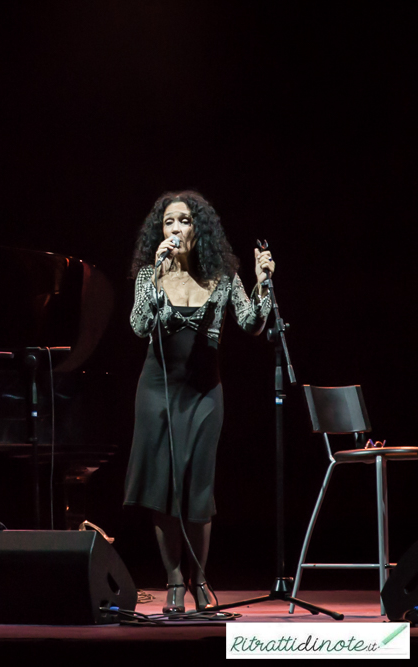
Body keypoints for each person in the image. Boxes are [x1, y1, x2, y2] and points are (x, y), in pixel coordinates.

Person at [123, 191, 275, 614]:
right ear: (160, 230)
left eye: (185, 221)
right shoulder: (148, 276)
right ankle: (173, 580)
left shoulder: (223, 276)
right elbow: (138, 326)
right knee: (162, 485)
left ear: (199, 229)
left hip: (206, 391)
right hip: (157, 390)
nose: (175, 229)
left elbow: (251, 323)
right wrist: (154, 277)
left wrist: (263, 284)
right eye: (169, 222)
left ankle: (200, 578)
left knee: (198, 487)